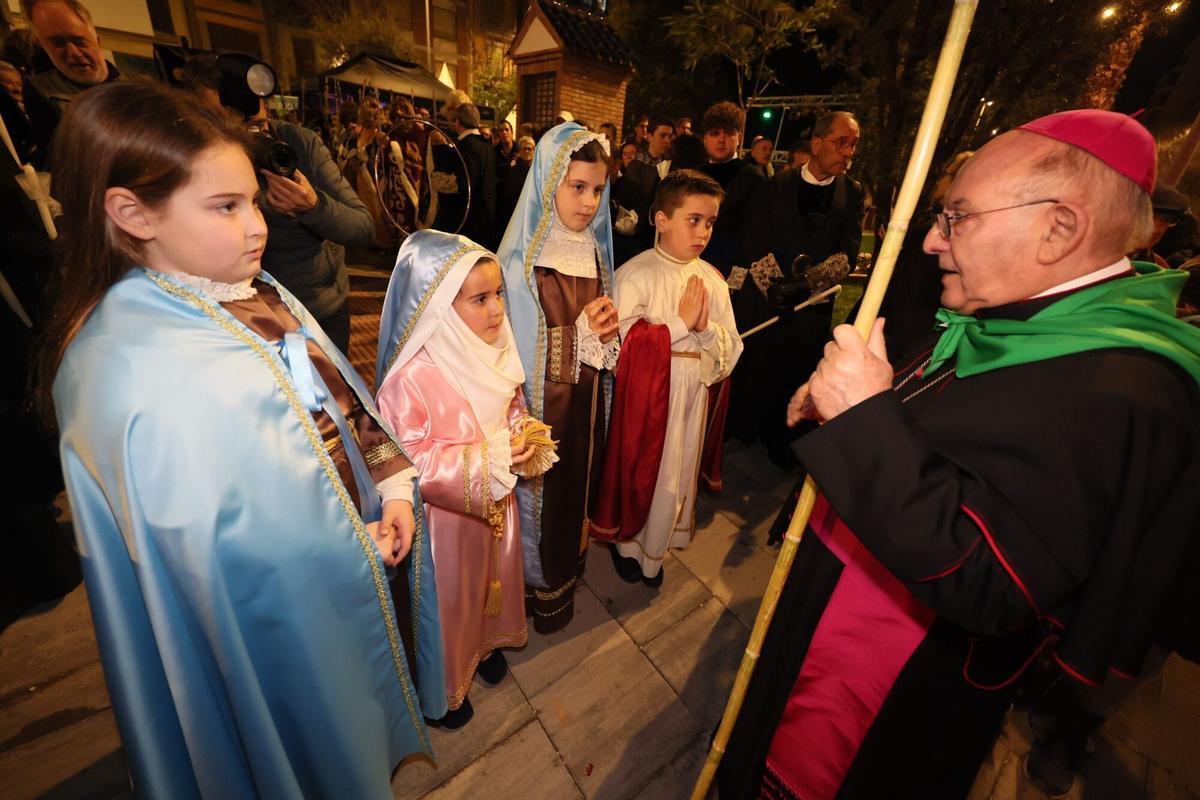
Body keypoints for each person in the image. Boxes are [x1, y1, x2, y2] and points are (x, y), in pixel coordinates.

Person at [718, 108, 1200, 800]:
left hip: (895, 671)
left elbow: (993, 582)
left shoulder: (1122, 389)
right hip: (848, 606)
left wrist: (865, 418)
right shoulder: (1030, 318)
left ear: (1058, 228)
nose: (932, 243)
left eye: (959, 217)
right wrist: (848, 409)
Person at [39, 82, 445, 799]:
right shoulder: (127, 372)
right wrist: (355, 545)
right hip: (276, 633)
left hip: (346, 570)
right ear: (132, 213)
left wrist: (391, 482)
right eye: (226, 207)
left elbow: (340, 398)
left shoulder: (253, 292)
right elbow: (218, 560)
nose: (256, 226)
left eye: (254, 200)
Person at [376, 230, 556, 729]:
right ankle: (447, 685)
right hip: (446, 529)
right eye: (479, 299)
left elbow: (512, 405)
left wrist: (522, 433)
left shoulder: (493, 347)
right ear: (436, 307)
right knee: (453, 603)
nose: (498, 309)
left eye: (498, 294)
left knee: (491, 585)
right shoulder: (409, 380)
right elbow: (409, 463)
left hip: (496, 511)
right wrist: (493, 459)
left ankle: (486, 646)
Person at [590, 170, 743, 587]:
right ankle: (629, 546)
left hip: (692, 394)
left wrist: (707, 330)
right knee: (644, 470)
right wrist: (680, 324)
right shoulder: (636, 274)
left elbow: (733, 344)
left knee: (676, 475)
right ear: (661, 220)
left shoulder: (713, 280)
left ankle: (654, 553)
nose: (703, 233)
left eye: (710, 223)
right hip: (649, 399)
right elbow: (619, 343)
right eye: (693, 220)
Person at [498, 122, 621, 633]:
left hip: (585, 402)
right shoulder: (522, 262)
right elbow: (516, 349)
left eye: (598, 189)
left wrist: (607, 333)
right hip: (541, 410)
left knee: (577, 484)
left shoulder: (594, 249)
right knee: (543, 497)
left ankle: (566, 575)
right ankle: (535, 590)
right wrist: (581, 335)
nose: (590, 203)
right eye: (577, 187)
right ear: (549, 183)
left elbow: (601, 327)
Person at [183, 54, 375, 354]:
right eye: (226, 125)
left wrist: (313, 206)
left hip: (320, 309)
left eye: (256, 125)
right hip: (246, 316)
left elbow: (362, 227)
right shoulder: (193, 162)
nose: (248, 139)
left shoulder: (299, 144)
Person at [19, 0, 119, 160]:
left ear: (97, 41)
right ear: (44, 47)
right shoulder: (41, 91)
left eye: (80, 41)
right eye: (58, 44)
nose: (73, 53)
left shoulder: (137, 84)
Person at [696, 101, 767, 275]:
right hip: (693, 263)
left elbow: (756, 233)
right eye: (714, 133)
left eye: (728, 133)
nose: (721, 139)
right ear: (705, 138)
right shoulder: (694, 176)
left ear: (739, 137)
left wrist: (738, 276)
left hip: (733, 270)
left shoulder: (754, 177)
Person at [455, 102, 499, 249]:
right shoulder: (486, 145)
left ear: (458, 121)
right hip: (487, 215)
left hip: (469, 217)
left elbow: (465, 184)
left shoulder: (464, 146)